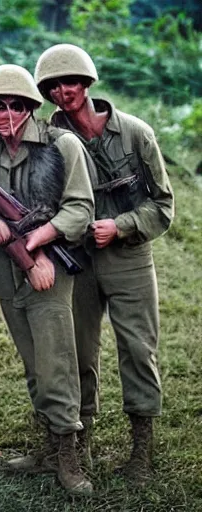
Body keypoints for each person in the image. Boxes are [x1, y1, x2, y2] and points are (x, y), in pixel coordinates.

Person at [34, 44, 174, 483]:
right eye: (53, 86)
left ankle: (141, 450)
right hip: (76, 260)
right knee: (76, 351)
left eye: (71, 81)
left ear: (88, 83)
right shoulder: (49, 139)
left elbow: (164, 206)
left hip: (128, 256)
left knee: (137, 348)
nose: (63, 91)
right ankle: (78, 444)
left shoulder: (134, 133)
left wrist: (122, 225)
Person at [0, 64, 94, 494]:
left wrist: (36, 244)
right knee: (31, 362)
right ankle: (45, 446)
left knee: (56, 361)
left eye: (16, 105)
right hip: (9, 274)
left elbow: (79, 209)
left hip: (50, 270)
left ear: (31, 107)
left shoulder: (63, 146)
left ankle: (69, 455)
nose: (6, 114)